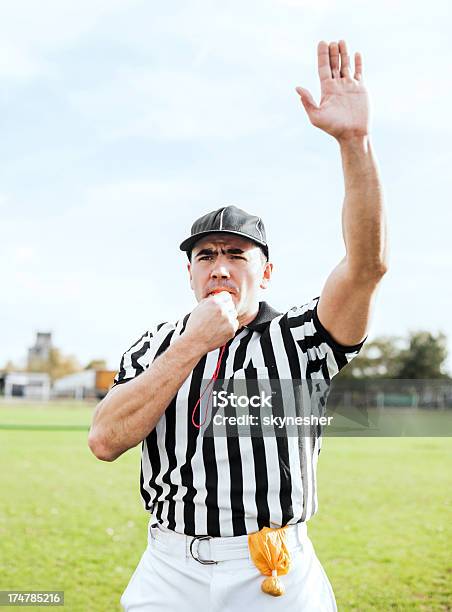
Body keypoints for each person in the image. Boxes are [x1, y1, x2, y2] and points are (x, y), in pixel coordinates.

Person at [88, 39, 388, 611]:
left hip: (273, 571)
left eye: (237, 255)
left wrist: (355, 142)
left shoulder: (302, 337)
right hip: (170, 567)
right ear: (190, 272)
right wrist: (192, 344)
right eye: (206, 256)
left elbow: (368, 265)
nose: (220, 268)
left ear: (266, 272)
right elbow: (105, 439)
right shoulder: (152, 344)